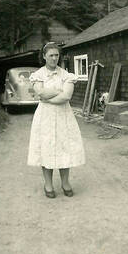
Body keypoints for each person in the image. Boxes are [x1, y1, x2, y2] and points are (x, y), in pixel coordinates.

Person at [27, 42, 85, 198]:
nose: (54, 58)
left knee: (64, 147)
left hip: (63, 116)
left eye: (56, 55)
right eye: (51, 55)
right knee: (46, 147)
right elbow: (40, 93)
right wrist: (56, 91)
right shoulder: (38, 74)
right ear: (44, 56)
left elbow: (66, 97)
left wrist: (48, 95)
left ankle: (65, 183)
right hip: (44, 117)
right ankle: (48, 185)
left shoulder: (66, 75)